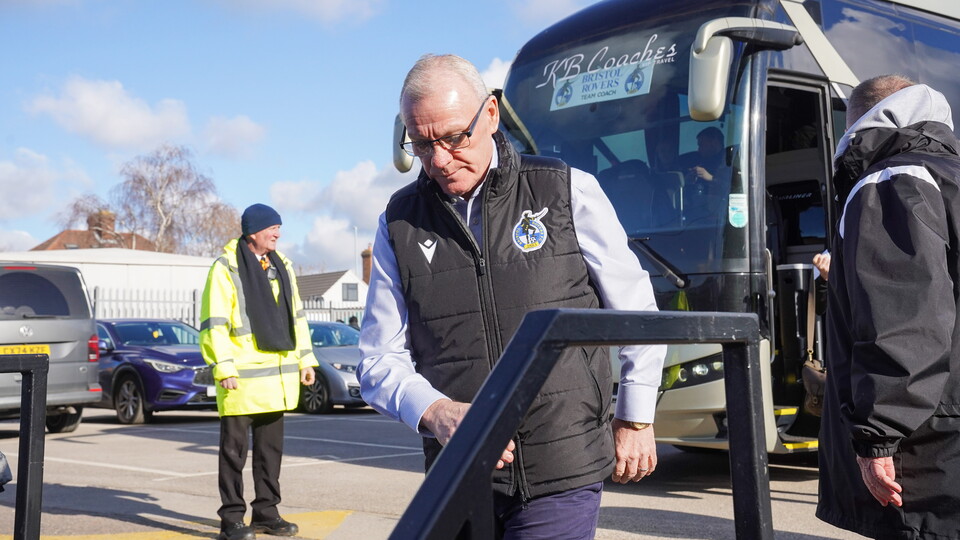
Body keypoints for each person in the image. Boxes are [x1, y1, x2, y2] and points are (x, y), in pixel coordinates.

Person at [358, 54, 666, 539]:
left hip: (563, 463)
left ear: (492, 114)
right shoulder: (398, 223)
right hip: (457, 472)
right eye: (421, 143)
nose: (438, 159)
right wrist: (436, 413)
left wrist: (635, 415)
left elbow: (635, 312)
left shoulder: (565, 190)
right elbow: (378, 360)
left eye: (454, 137)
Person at [817, 75, 960, 538]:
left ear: (856, 119)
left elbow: (904, 321)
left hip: (926, 443)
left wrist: (877, 438)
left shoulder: (891, 179)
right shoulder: (948, 175)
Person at [200, 203, 319, 540]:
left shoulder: (283, 266)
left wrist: (306, 360)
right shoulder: (225, 268)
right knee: (234, 454)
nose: (278, 233)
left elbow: (296, 318)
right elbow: (214, 323)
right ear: (253, 232)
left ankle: (267, 513)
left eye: (279, 227)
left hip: (277, 379)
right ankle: (232, 520)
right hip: (240, 380)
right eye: (272, 228)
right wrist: (223, 367)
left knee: (270, 454)